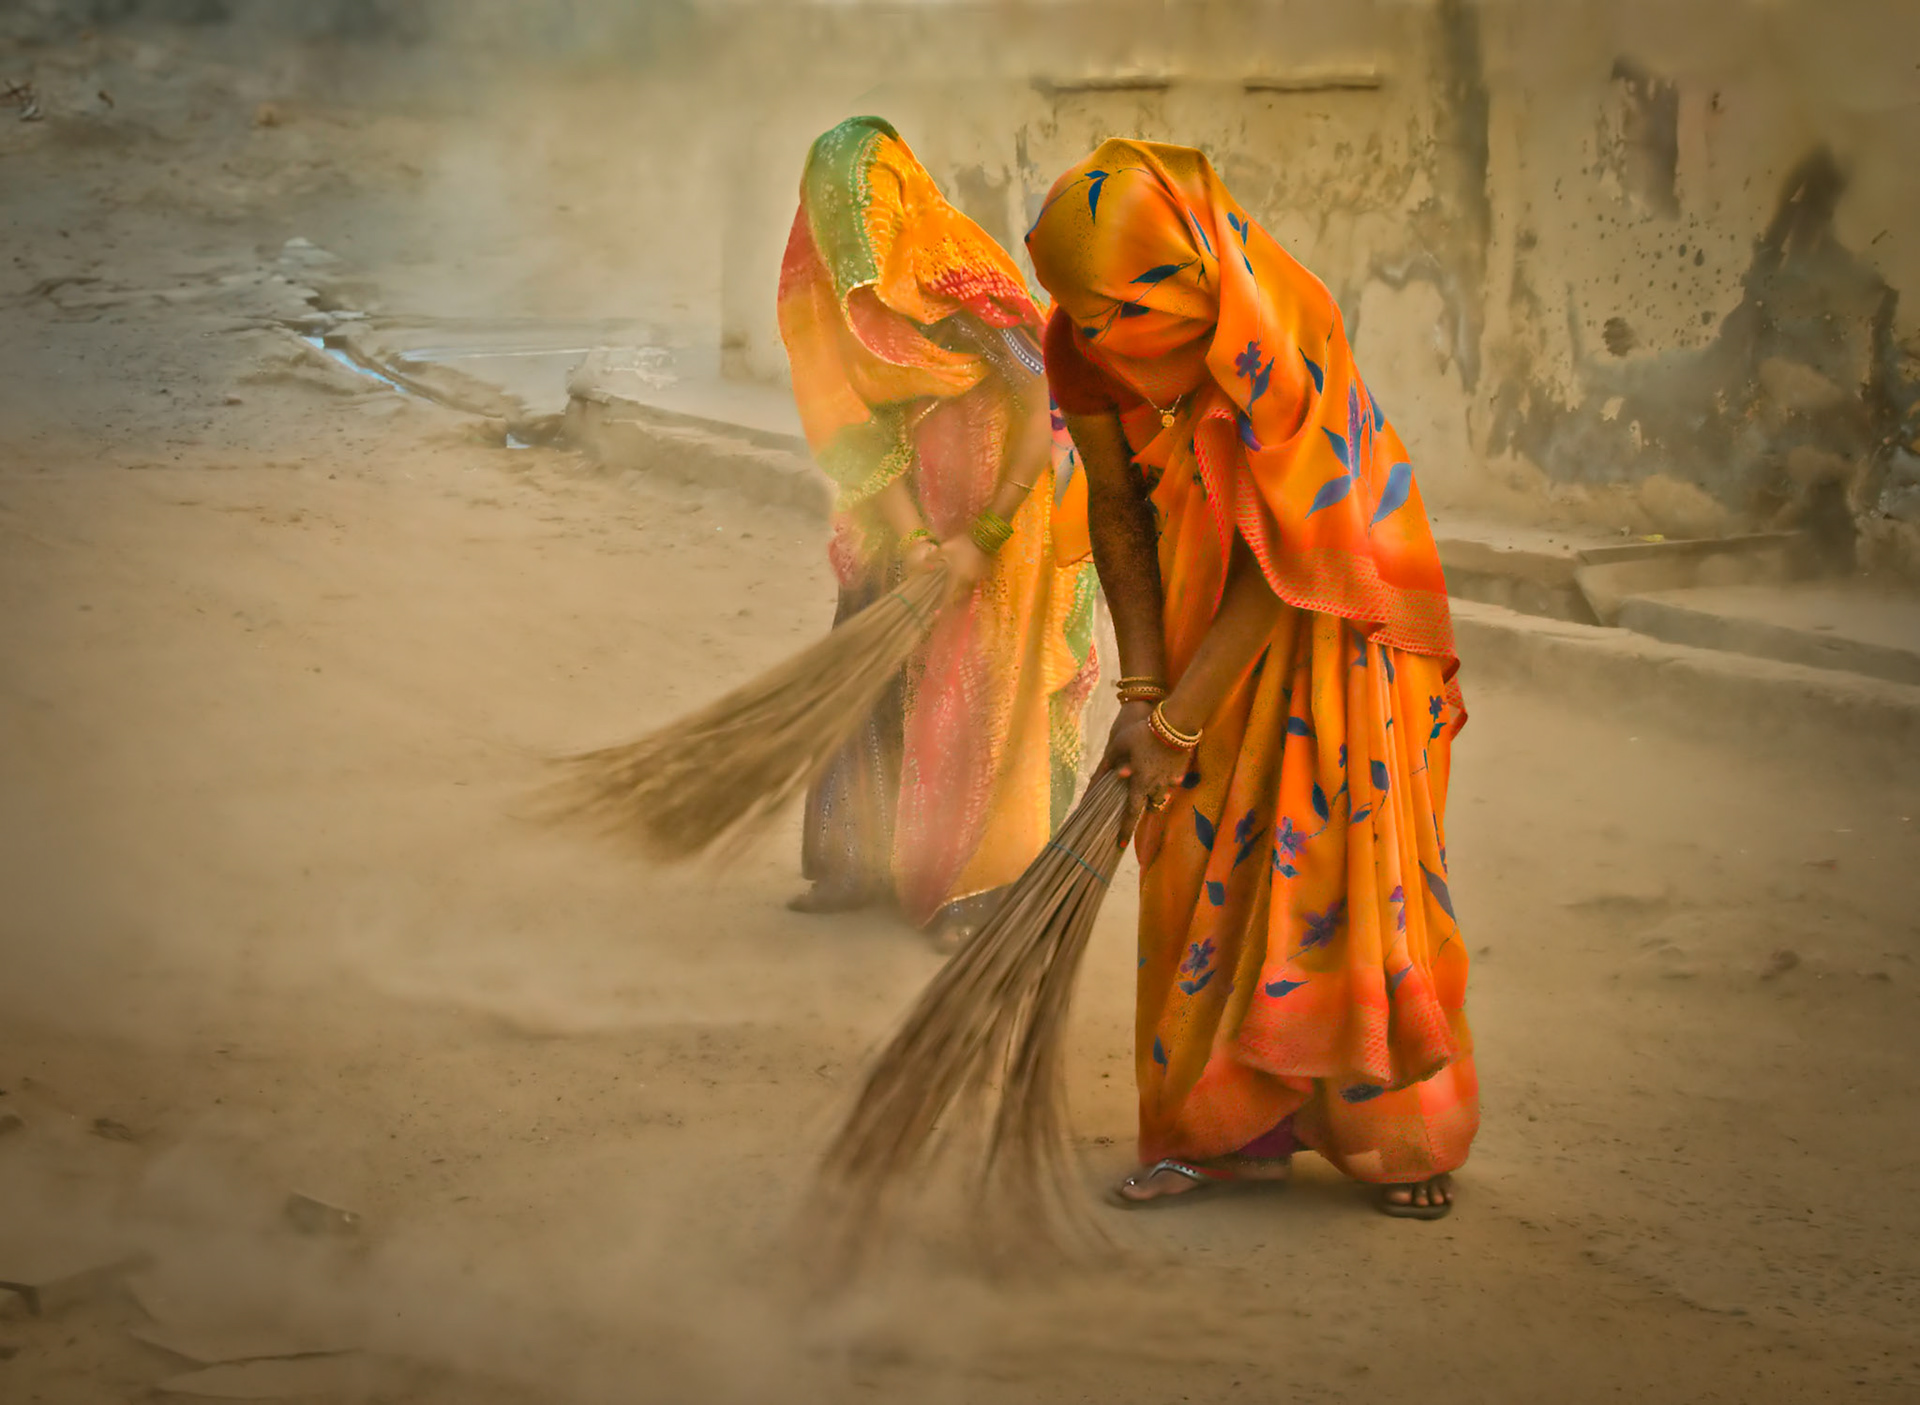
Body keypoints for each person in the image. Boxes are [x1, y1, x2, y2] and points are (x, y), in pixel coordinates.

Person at [1025, 139, 1475, 1219]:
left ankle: (1394, 1131)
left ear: (1183, 278)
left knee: (1342, 854)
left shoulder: (1282, 326)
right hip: (1199, 592)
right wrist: (1145, 694)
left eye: (1121, 313)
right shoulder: (1079, 341)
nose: (1102, 338)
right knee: (1194, 847)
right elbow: (1116, 505)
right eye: (1082, 314)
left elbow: (1298, 561)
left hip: (1336, 609)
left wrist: (1177, 725)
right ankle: (1221, 1134)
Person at [777, 116, 1100, 950]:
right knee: (872, 668)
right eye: (836, 220)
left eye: (866, 214)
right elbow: (856, 434)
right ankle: (856, 859)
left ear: (896, 197)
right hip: (906, 503)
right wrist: (917, 539)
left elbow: (1044, 399)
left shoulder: (957, 282)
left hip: (1006, 501)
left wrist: (981, 537)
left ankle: (981, 880)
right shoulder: (826, 303)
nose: (856, 247)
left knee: (981, 689)